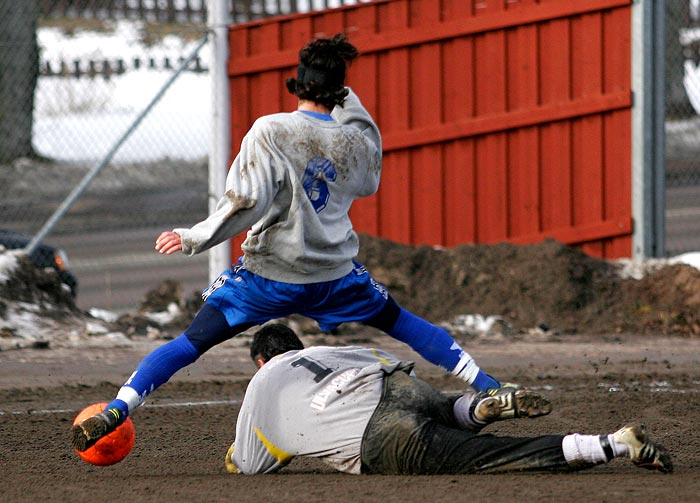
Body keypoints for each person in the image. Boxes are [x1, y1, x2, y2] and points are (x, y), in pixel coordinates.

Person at [74, 33, 511, 451]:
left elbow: (245, 203)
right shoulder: (353, 141)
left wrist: (193, 237)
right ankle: (489, 386)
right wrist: (346, 97)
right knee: (404, 323)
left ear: (296, 84)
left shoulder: (271, 130)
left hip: (269, 277)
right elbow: (370, 164)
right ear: (340, 92)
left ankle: (118, 409)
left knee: (190, 343)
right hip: (335, 276)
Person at [225, 324, 673, 475]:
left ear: (263, 360)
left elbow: (248, 463)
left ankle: (612, 443)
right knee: (432, 411)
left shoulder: (262, 384)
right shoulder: (323, 349)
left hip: (373, 435)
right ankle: (474, 407)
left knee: (488, 457)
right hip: (394, 383)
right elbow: (390, 361)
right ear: (297, 343)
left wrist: (238, 451)